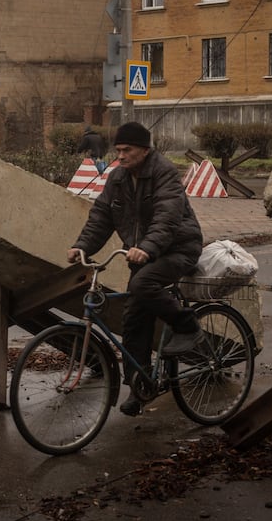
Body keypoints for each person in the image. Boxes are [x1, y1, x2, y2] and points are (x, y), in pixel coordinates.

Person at [67, 121, 204, 417]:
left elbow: (167, 217)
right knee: (132, 319)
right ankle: (139, 386)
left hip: (178, 248)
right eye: (118, 150)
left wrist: (149, 247)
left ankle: (188, 325)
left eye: (127, 150)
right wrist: (82, 247)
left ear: (144, 150)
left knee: (142, 286)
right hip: (143, 254)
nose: (121, 156)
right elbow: (101, 216)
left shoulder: (164, 172)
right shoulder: (116, 177)